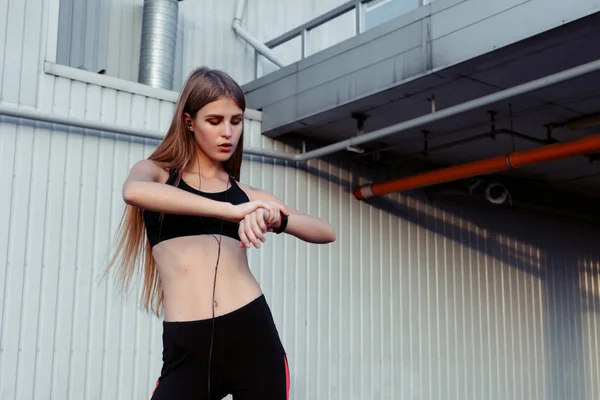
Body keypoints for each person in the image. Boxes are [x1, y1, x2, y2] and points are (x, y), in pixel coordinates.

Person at [107, 67, 336, 400]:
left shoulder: (247, 194)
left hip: (253, 338)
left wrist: (276, 218)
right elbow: (133, 192)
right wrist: (230, 211)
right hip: (187, 347)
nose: (228, 132)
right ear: (189, 121)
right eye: (214, 121)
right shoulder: (157, 174)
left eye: (236, 120)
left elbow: (325, 231)